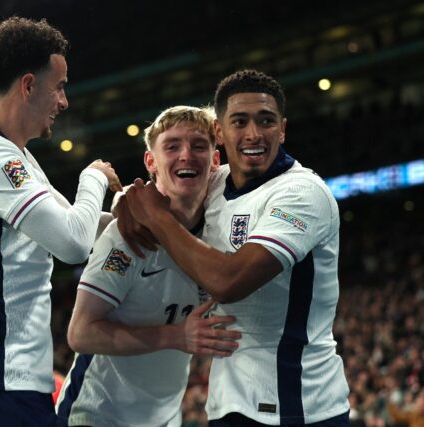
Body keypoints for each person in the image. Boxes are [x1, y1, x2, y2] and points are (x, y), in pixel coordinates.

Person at [124, 69, 350, 426]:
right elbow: (159, 192)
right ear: (219, 131)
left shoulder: (302, 194)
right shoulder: (215, 182)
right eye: (240, 122)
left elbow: (229, 282)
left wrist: (157, 219)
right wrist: (126, 200)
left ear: (283, 129)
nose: (253, 134)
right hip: (229, 402)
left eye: (266, 121)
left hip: (298, 405)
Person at [0, 17, 121, 427]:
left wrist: (141, 218)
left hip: (2, 388)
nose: (64, 101)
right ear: (29, 86)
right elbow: (72, 243)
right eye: (60, 86)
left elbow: (77, 224)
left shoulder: (13, 155)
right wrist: (93, 177)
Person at [55, 106, 241, 427]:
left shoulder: (221, 231)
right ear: (150, 162)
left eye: (199, 146)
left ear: (215, 161)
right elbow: (81, 333)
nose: (186, 155)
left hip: (165, 419)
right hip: (96, 415)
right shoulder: (128, 233)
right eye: (172, 146)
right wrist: (175, 336)